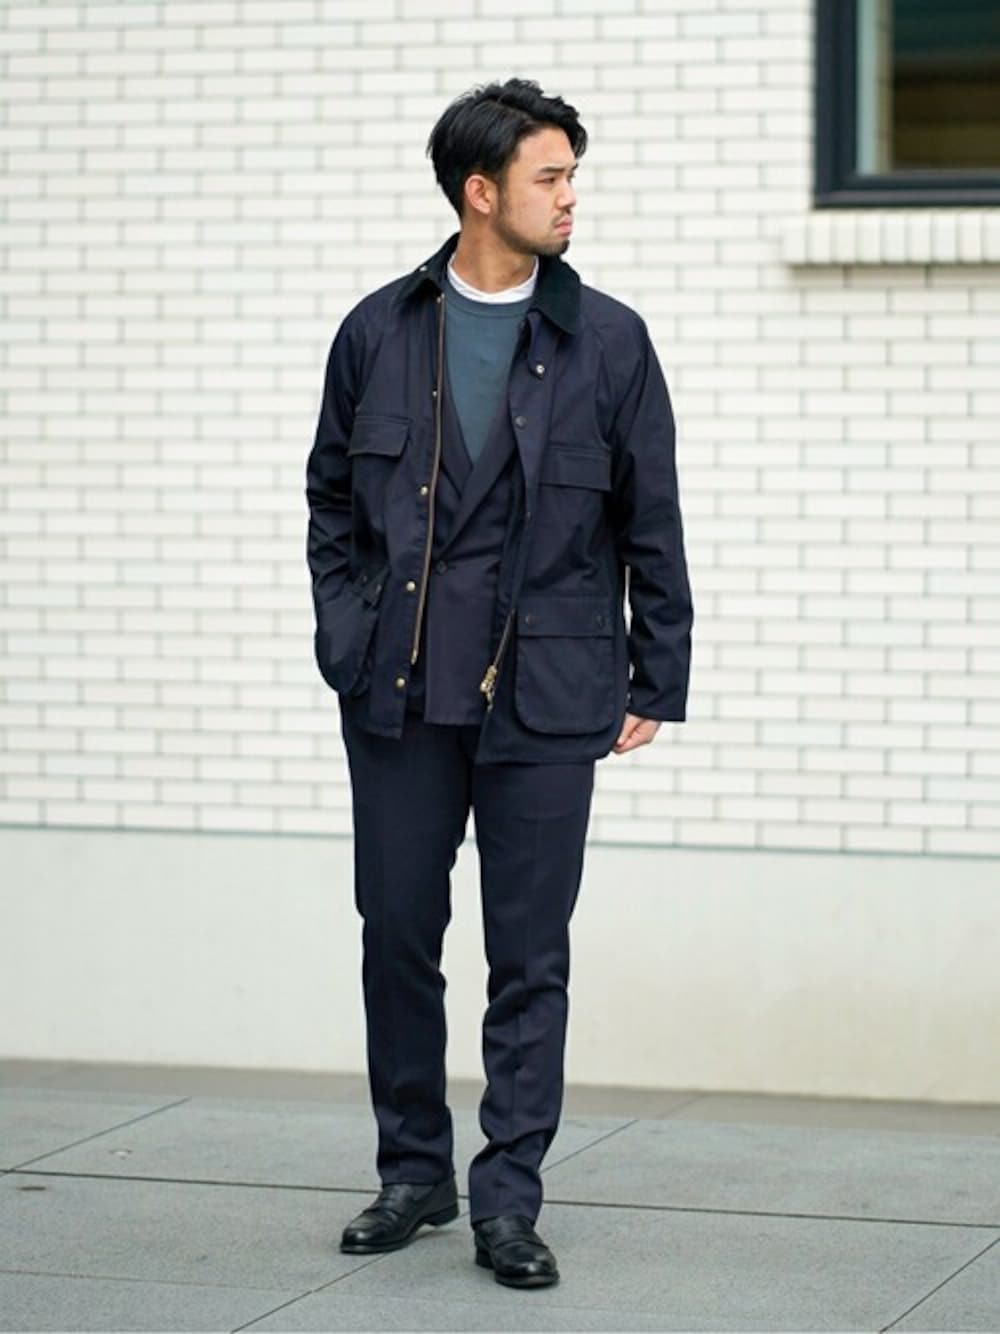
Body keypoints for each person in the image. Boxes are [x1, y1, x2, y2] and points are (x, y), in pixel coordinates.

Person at [305, 77, 693, 1290]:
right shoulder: (378, 331)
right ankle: (413, 1170)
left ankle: (508, 1197)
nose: (570, 197)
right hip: (399, 694)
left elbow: (651, 518)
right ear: (481, 192)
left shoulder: (608, 340)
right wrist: (345, 635)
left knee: (529, 955)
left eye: (572, 175)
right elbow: (330, 504)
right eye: (549, 176)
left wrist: (659, 669)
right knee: (396, 935)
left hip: (549, 695)